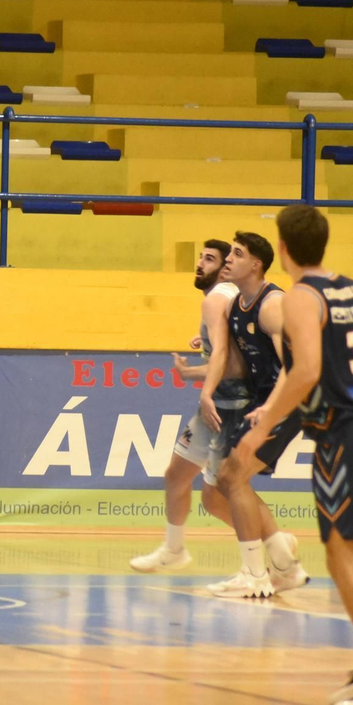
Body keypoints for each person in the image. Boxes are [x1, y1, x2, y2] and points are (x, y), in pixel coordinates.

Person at [232, 205, 353, 705]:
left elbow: (308, 370)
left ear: (283, 249)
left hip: (346, 430)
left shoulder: (301, 297)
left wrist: (262, 428)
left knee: (341, 557)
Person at [129, 239, 239, 573]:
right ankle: (174, 549)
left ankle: (273, 542)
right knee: (177, 475)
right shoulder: (220, 300)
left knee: (216, 499)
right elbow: (222, 350)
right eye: (201, 257)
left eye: (210, 259)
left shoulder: (220, 299)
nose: (200, 263)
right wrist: (198, 352)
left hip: (231, 407)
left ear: (225, 269)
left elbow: (230, 364)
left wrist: (192, 373)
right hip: (214, 405)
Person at [208, 232, 308, 598]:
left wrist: (270, 407)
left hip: (289, 400)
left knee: (231, 477)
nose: (228, 259)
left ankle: (255, 574)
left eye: (237, 254)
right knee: (226, 480)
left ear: (256, 265)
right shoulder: (237, 305)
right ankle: (282, 562)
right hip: (264, 400)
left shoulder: (272, 304)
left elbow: (294, 365)